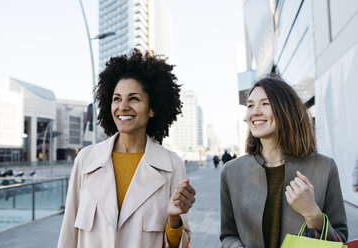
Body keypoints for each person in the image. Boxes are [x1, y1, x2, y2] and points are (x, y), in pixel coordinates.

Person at [58, 49, 196, 248]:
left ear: (152, 109)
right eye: (116, 98)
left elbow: (179, 244)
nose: (122, 107)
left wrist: (174, 219)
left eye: (133, 98)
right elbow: (68, 234)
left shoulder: (171, 165)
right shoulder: (86, 160)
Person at [220, 75, 348, 248]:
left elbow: (340, 240)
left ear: (286, 109)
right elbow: (228, 235)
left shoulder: (325, 168)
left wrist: (313, 214)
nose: (255, 111)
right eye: (250, 105)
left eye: (265, 103)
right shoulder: (231, 172)